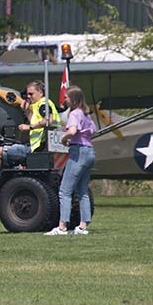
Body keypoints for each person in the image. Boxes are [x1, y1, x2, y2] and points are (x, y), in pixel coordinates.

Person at [0, 81, 59, 200]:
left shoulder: (43, 104)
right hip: (40, 148)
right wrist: (26, 111)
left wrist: (29, 127)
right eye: (27, 94)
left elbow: (48, 120)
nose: (28, 97)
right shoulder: (40, 105)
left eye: (31, 94)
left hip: (36, 150)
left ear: (40, 92)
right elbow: (38, 121)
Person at [49, 85, 96, 235]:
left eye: (66, 97)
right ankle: (83, 226)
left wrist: (64, 138)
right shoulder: (86, 114)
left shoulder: (74, 113)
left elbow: (73, 130)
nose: (64, 100)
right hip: (89, 152)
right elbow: (93, 130)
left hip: (78, 153)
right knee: (82, 190)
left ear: (74, 99)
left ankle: (62, 226)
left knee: (64, 191)